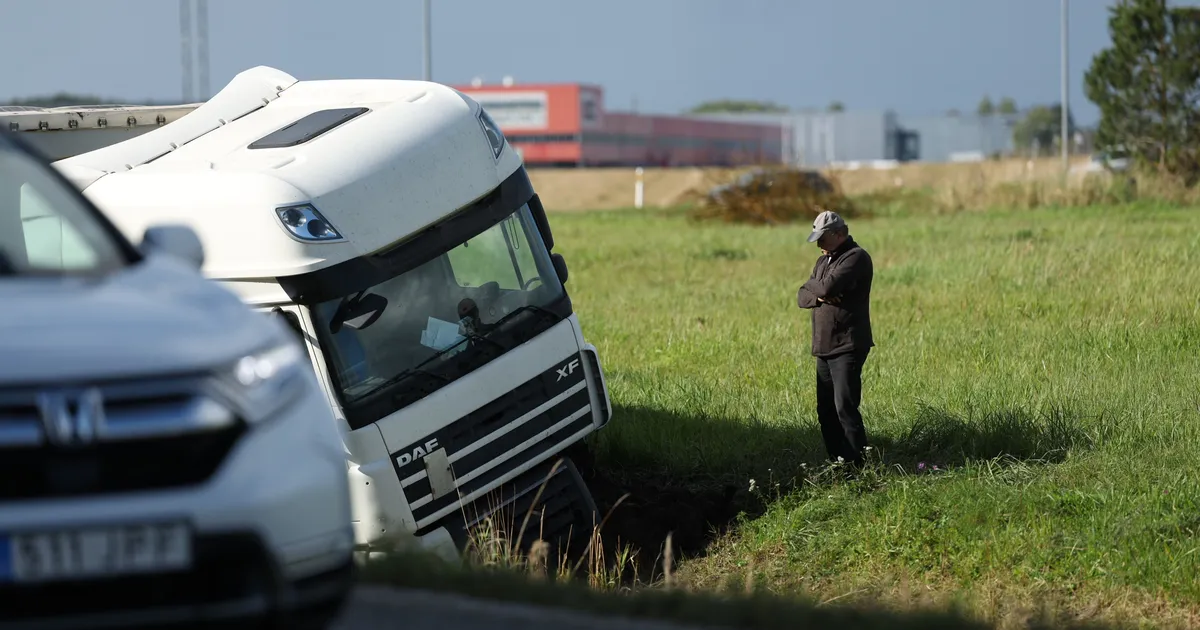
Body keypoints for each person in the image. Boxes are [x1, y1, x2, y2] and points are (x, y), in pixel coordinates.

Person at [796, 209, 874, 468]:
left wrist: (817, 289)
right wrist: (817, 294)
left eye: (822, 237)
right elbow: (801, 296)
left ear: (839, 234)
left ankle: (859, 467)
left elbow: (825, 287)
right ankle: (839, 464)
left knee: (845, 409)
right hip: (824, 345)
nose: (817, 243)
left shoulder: (856, 258)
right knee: (825, 412)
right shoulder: (823, 261)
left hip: (847, 345)